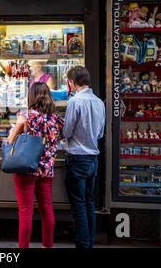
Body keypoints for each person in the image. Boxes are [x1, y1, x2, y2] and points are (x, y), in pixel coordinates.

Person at [7, 82, 64, 248]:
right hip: (46, 171)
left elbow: (11, 140)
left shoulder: (25, 116)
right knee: (47, 210)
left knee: (25, 212)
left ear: (31, 97)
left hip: (26, 169)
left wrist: (15, 132)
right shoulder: (56, 119)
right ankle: (47, 245)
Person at [63, 66, 105, 248]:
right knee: (89, 203)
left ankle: (83, 245)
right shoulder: (99, 102)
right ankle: (89, 242)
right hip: (93, 158)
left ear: (72, 82)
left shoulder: (75, 101)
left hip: (77, 158)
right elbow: (100, 133)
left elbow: (67, 131)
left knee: (78, 206)